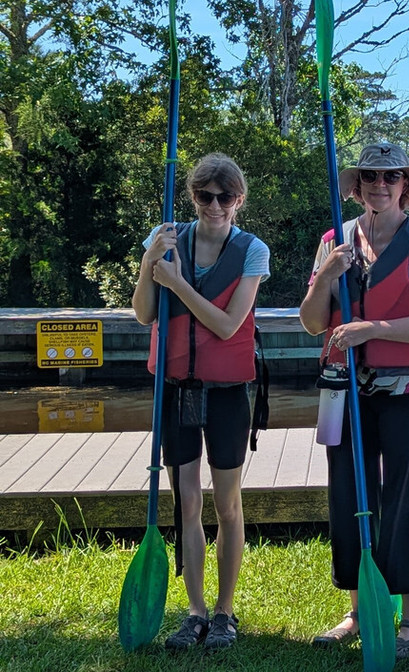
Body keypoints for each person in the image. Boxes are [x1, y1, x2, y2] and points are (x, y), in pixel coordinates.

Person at [298, 142, 409, 660]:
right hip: (347, 393)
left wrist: (373, 328)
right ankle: (359, 611)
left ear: (405, 185)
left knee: (405, 500)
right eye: (369, 176)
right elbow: (314, 321)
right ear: (357, 185)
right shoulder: (334, 241)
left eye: (390, 177)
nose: (378, 185)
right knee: (351, 498)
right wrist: (328, 277)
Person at [132, 153, 270, 651]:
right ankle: (193, 612)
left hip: (228, 392)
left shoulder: (253, 251)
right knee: (187, 502)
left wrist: (177, 281)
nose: (215, 206)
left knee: (226, 504)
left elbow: (228, 324)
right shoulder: (164, 240)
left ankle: (225, 611)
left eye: (225, 197)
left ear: (239, 200)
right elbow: (146, 313)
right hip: (178, 389)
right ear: (193, 196)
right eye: (205, 196)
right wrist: (152, 264)